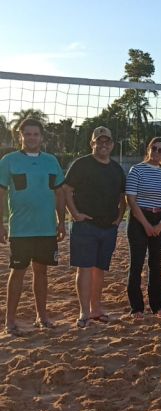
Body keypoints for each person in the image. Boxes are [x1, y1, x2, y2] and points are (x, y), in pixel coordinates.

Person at [0, 118, 66, 335]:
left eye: (35, 134)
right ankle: (10, 321)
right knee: (17, 272)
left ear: (41, 137)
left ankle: (42, 316)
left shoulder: (51, 161)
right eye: (27, 134)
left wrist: (62, 221)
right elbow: (1, 194)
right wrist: (0, 224)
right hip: (20, 229)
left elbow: (59, 193)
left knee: (42, 272)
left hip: (46, 228)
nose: (31, 138)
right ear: (20, 136)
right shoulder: (8, 161)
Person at [63, 126, 126, 328]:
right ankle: (84, 311)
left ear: (112, 144)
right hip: (85, 225)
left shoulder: (116, 169)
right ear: (92, 143)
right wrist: (74, 213)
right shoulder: (81, 164)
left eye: (107, 141)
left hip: (108, 226)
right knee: (85, 268)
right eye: (99, 141)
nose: (103, 145)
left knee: (100, 269)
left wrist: (119, 217)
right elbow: (66, 190)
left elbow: (123, 197)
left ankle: (96, 309)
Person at [125, 137, 161, 319]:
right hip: (140, 219)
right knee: (136, 263)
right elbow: (131, 200)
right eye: (154, 148)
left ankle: (158, 306)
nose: (157, 152)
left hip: (159, 219)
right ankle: (136, 308)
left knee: (156, 264)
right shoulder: (137, 170)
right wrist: (146, 225)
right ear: (148, 149)